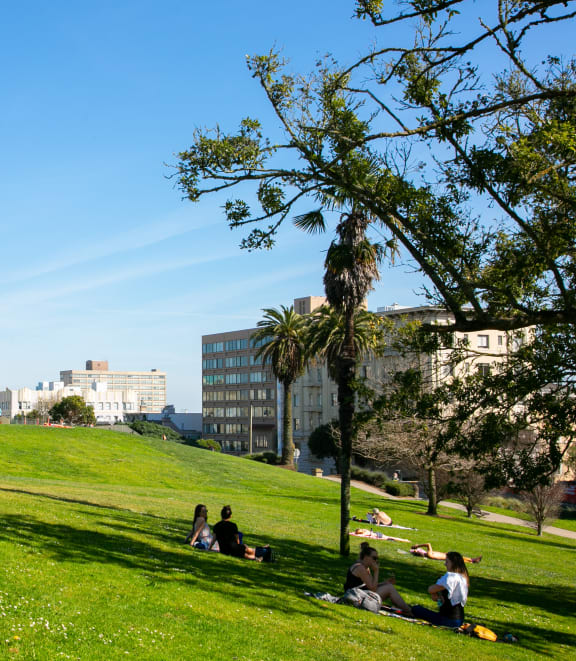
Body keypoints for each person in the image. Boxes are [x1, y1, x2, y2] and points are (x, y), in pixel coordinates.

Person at [344, 542, 412, 615]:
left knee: (388, 586)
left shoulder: (364, 567)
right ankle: (408, 610)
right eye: (374, 558)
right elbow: (372, 589)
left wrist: (384, 583)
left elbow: (369, 586)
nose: (375, 561)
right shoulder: (360, 568)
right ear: (366, 557)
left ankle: (406, 609)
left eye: (377, 559)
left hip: (359, 595)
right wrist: (376, 571)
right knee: (389, 588)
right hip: (356, 597)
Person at [411, 551, 469, 627]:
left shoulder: (451, 577)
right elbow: (441, 599)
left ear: (453, 564)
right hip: (459, 620)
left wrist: (434, 593)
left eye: (447, 562)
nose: (445, 564)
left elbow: (430, 589)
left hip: (449, 620)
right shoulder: (462, 578)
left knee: (416, 609)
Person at [410, 543, 481, 564]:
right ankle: (472, 560)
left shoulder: (428, 554)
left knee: (460, 558)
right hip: (448, 557)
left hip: (447, 555)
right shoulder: (429, 554)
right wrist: (417, 546)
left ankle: (472, 561)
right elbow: (428, 544)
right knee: (459, 558)